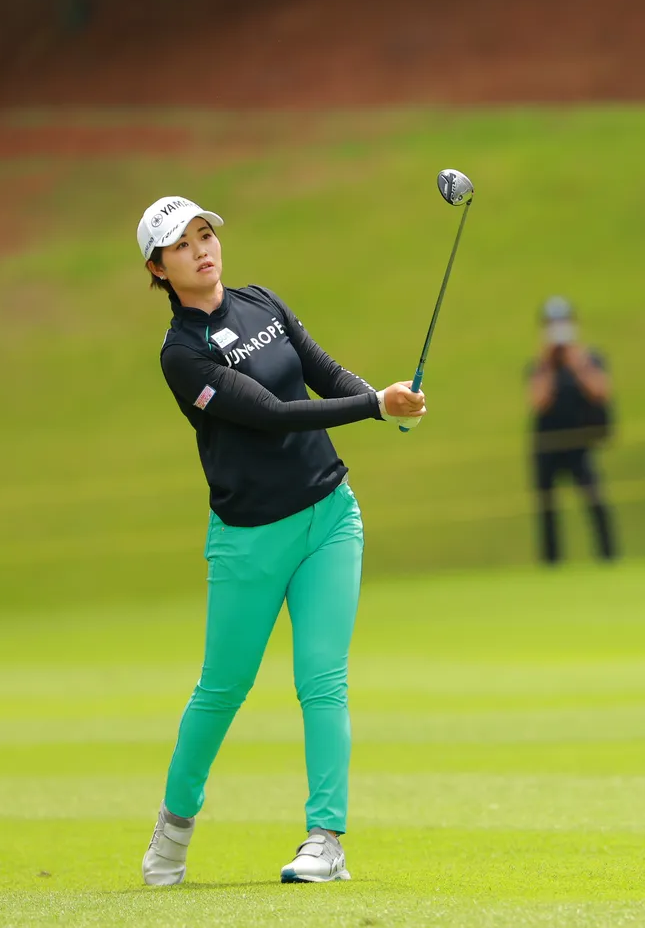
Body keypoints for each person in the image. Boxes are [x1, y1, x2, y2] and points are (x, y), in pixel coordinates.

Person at [135, 196, 426, 885]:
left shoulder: (262, 302)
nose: (202, 250)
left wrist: (390, 405)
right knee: (222, 688)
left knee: (322, 680)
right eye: (182, 245)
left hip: (330, 516)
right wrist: (372, 406)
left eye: (205, 235)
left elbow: (323, 373)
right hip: (249, 540)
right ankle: (173, 829)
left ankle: (325, 839)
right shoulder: (181, 355)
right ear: (159, 268)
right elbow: (269, 414)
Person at [526, 296, 618, 565]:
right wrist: (547, 362)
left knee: (595, 500)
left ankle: (609, 558)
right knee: (547, 509)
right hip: (547, 447)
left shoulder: (589, 359)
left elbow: (601, 391)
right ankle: (552, 563)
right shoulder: (540, 366)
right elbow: (538, 401)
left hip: (580, 445)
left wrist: (577, 363)